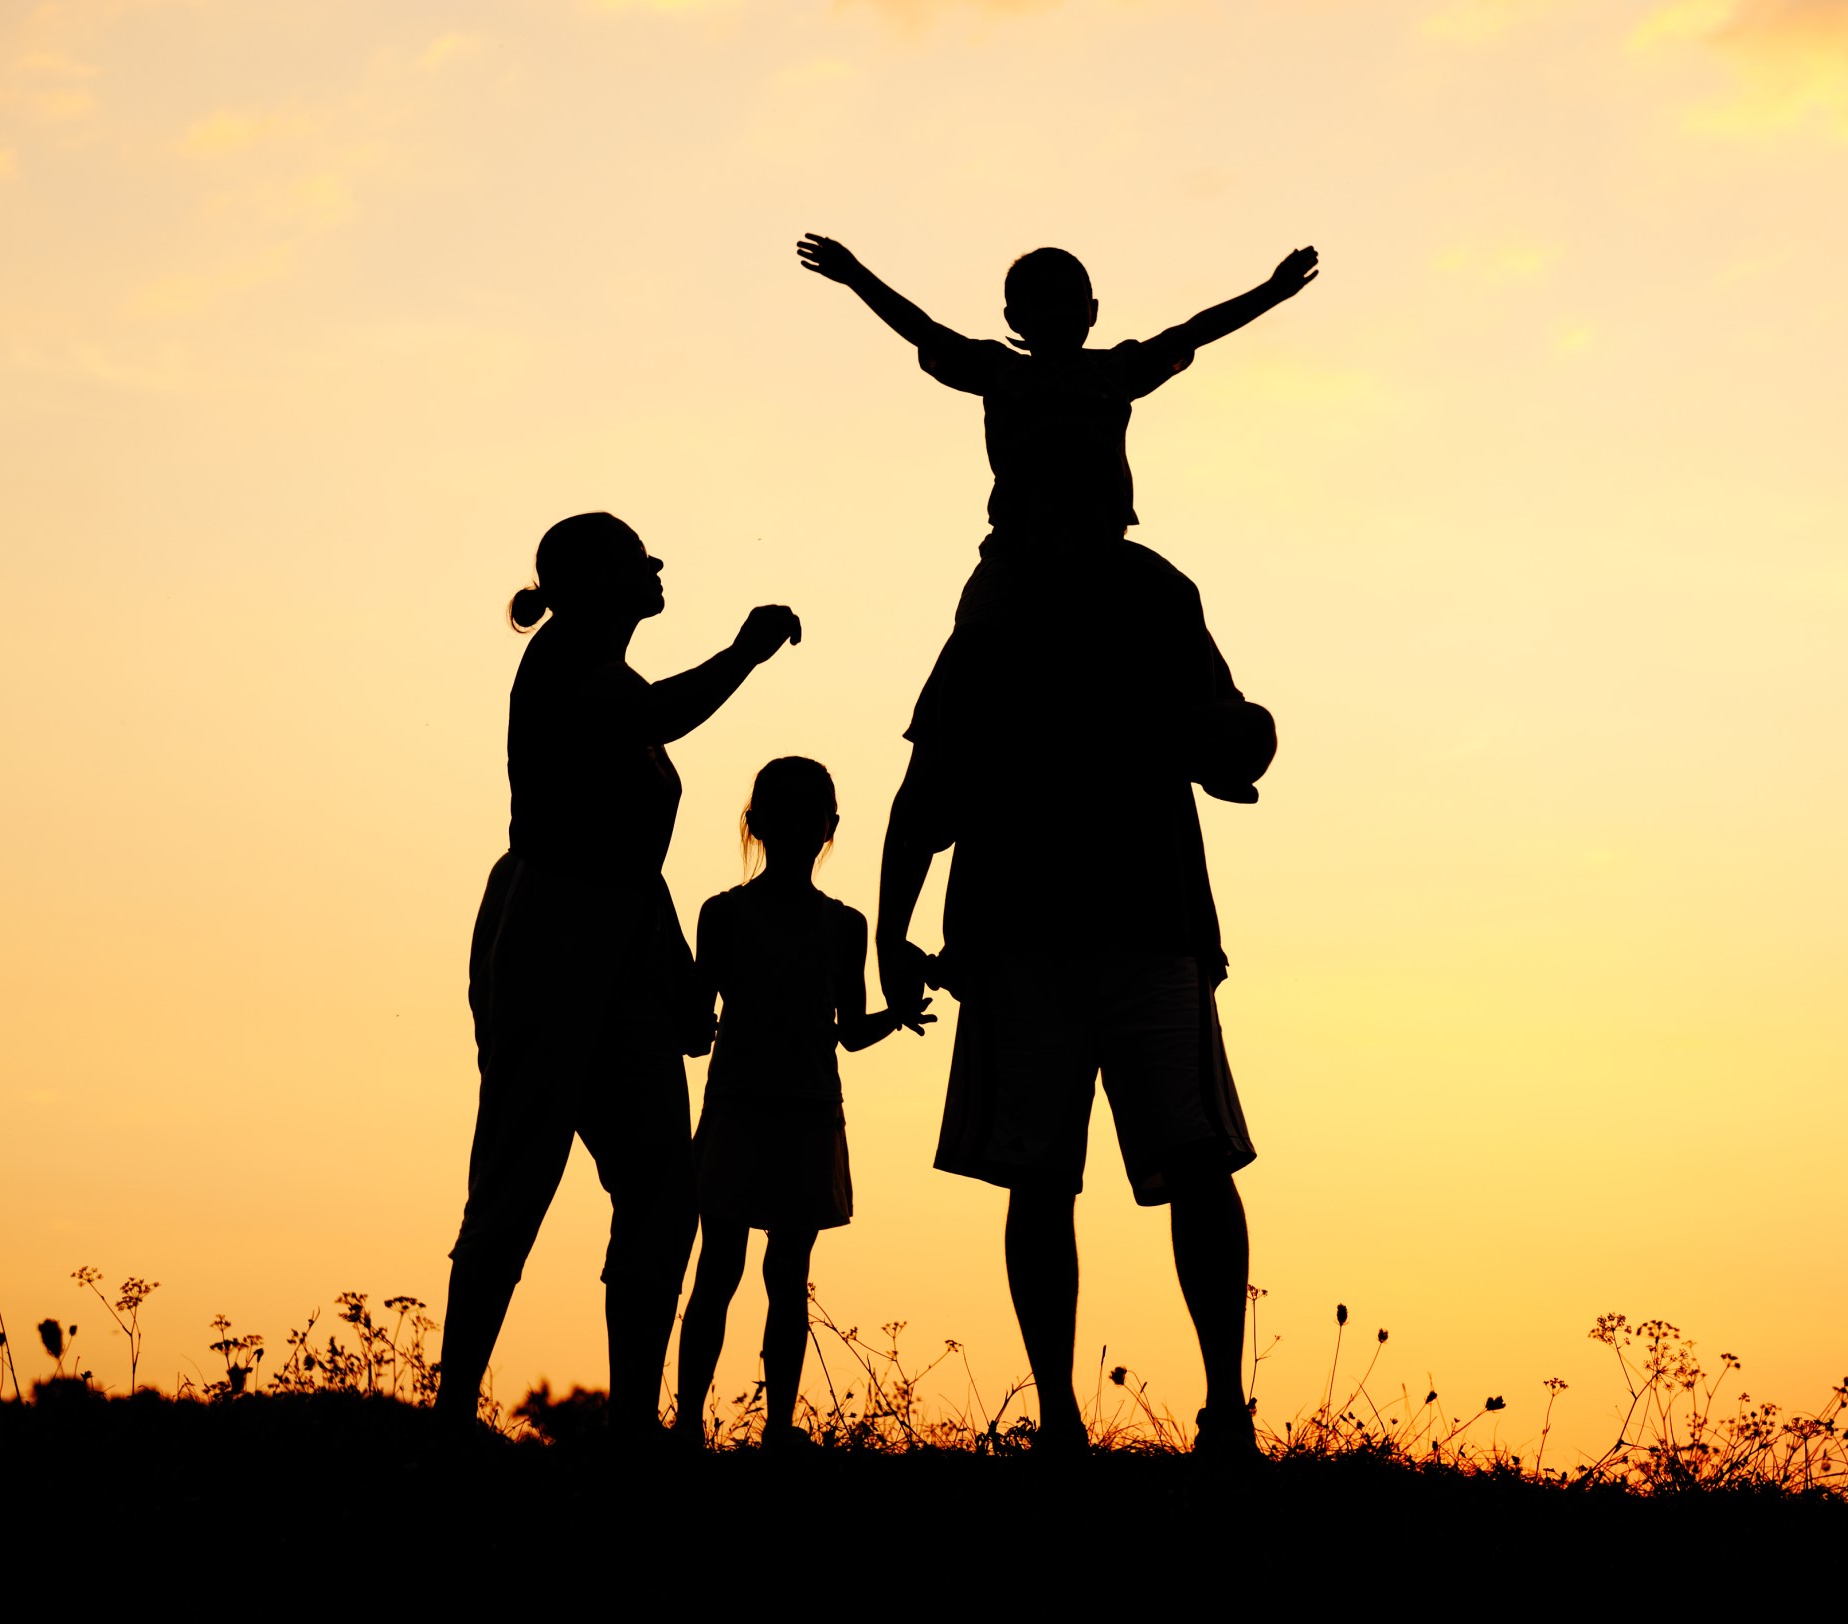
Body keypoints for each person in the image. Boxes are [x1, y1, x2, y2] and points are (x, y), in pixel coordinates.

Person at [876, 551, 1278, 1460]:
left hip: (1083, 931)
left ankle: (1142, 1413)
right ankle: (1138, 1414)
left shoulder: (1124, 593)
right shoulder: (1072, 597)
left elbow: (926, 792)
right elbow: (929, 787)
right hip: (1082, 932)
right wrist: (889, 934)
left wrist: (891, 935)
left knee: (1078, 1173)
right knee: (1093, 1172)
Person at [435, 512, 801, 1434]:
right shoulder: (565, 666)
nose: (658, 563)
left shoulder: (609, 675)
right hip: (551, 936)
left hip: (620, 944)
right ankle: (449, 1413)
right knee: (517, 1176)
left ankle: (635, 1423)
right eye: (639, 555)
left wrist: (672, 973)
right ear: (596, 576)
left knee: (661, 1190)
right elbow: (659, 717)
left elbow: (636, 862)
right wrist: (744, 654)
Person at [795, 234, 1315, 789]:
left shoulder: (1118, 371)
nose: (1059, 312)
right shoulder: (998, 369)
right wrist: (856, 277)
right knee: (971, 645)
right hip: (1021, 554)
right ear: (1014, 317)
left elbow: (1194, 332)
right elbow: (924, 331)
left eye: (1071, 300)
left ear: (1092, 312)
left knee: (1179, 595)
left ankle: (1213, 728)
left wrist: (1273, 292)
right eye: (1042, 301)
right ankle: (943, 770)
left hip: (1103, 552)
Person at [674, 757, 933, 1447]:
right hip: (754, 1108)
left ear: (825, 827)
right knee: (736, 1272)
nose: (794, 826)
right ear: (759, 823)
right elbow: (700, 1024)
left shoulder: (824, 924)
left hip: (789, 1111)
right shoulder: (733, 917)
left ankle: (752, 1426)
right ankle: (702, 1422)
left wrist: (894, 1016)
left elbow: (845, 1030)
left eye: (803, 812)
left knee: (769, 1276)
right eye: (783, 812)